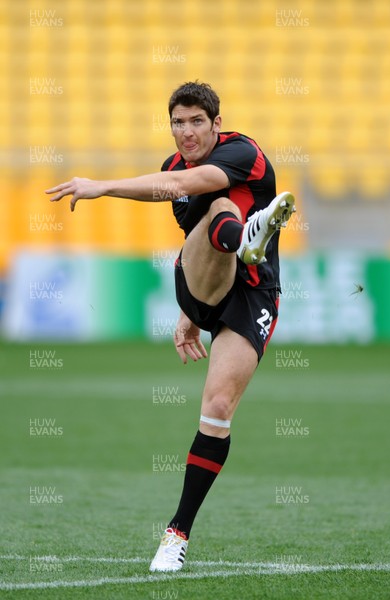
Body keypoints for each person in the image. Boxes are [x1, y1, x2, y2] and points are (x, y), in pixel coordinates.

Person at [46, 81, 295, 572]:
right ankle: (247, 234)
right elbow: (180, 201)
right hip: (200, 278)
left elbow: (182, 188)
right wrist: (192, 309)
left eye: (196, 121)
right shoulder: (171, 169)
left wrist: (102, 186)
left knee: (219, 407)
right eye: (178, 123)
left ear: (216, 123)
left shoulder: (244, 152)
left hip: (254, 293)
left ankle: (177, 531)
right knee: (222, 210)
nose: (186, 132)